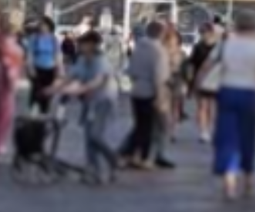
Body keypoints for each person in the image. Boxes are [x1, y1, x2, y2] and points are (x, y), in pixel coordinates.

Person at [203, 9, 255, 200]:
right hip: (249, 95)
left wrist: (197, 85)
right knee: (247, 137)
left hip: (227, 92)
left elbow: (207, 66)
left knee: (227, 137)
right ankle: (249, 181)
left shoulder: (226, 45)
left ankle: (229, 183)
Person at [52, 30, 120, 184]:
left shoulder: (101, 61)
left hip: (104, 101)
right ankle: (93, 169)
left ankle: (112, 159)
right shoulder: (82, 60)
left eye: (82, 44)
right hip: (89, 102)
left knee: (95, 135)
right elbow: (71, 76)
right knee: (88, 137)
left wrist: (81, 89)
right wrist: (54, 88)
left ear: (91, 45)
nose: (80, 47)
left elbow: (98, 81)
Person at [123, 19, 171, 170]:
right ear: (161, 34)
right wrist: (160, 97)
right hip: (151, 92)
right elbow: (159, 77)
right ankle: (143, 157)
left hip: (136, 90)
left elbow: (130, 71)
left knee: (140, 126)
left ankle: (131, 155)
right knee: (149, 128)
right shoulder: (159, 51)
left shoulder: (138, 48)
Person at [0, 15, 24, 158]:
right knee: (5, 114)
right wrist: (13, 80)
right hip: (5, 77)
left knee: (2, 114)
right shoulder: (5, 41)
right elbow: (9, 61)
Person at [190, 22, 220, 143]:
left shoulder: (218, 47)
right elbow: (192, 64)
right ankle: (203, 132)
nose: (203, 35)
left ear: (211, 32)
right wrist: (191, 81)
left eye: (205, 32)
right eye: (201, 32)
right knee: (202, 106)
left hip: (215, 80)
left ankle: (211, 129)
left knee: (212, 108)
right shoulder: (198, 47)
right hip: (200, 79)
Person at [26, 16, 60, 114]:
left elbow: (57, 55)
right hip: (37, 67)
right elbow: (30, 54)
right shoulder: (34, 38)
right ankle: (32, 111)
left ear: (49, 26)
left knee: (47, 91)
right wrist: (30, 67)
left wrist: (59, 70)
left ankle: (44, 112)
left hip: (50, 68)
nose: (42, 27)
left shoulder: (53, 39)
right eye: (40, 25)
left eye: (44, 25)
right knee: (36, 90)